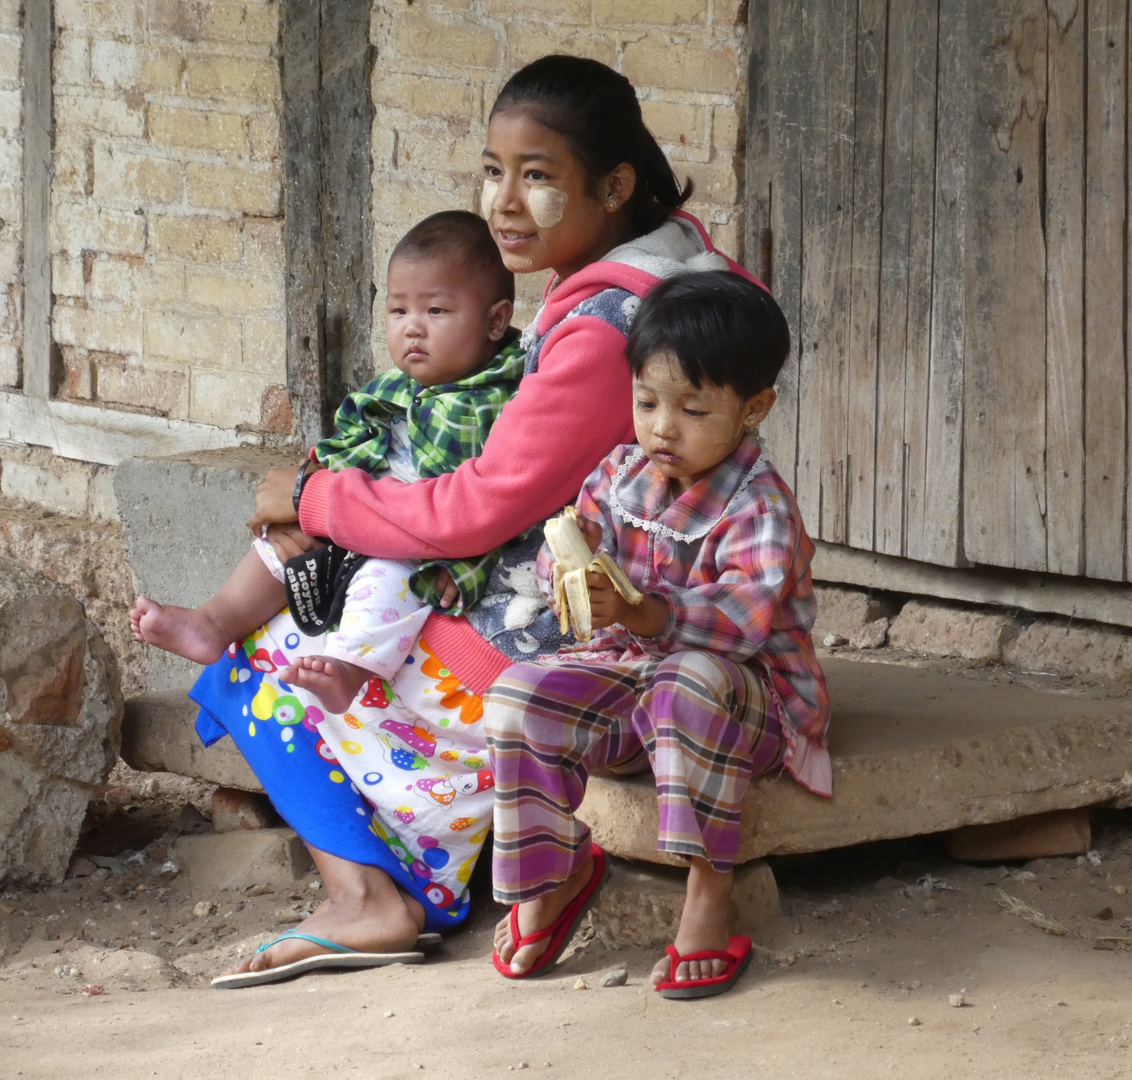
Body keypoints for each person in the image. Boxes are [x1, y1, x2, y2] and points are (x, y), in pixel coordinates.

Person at [191, 53, 771, 988]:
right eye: (494, 171)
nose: (504, 202)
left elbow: (473, 510)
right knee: (334, 601)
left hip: (603, 639)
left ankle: (379, 897)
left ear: (615, 185)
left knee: (255, 660)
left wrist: (316, 501)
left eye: (537, 176)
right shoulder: (677, 262)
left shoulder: (607, 328)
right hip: (650, 609)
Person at [484, 271, 831, 999]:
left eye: (692, 408)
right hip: (630, 681)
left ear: (752, 410)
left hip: (742, 703)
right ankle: (556, 873)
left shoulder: (760, 506)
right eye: (646, 402)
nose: (662, 427)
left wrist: (646, 612)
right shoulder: (617, 475)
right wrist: (568, 564)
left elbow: (738, 626)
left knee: (689, 680)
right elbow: (560, 576)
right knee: (517, 693)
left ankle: (709, 891)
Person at [130, 211, 521, 718]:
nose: (412, 330)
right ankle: (213, 622)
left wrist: (468, 566)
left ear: (495, 320)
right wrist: (306, 488)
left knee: (387, 583)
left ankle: (349, 671)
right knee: (277, 550)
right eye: (398, 312)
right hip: (352, 509)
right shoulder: (394, 387)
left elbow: (502, 507)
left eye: (437, 311)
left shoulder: (504, 404)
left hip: (415, 541)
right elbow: (348, 439)